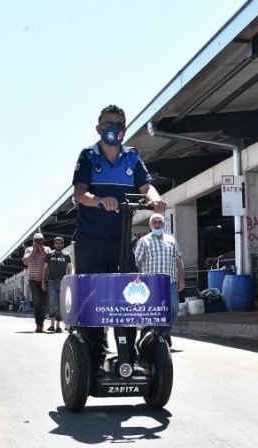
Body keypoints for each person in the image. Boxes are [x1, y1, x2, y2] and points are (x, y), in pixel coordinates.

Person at [72, 104, 167, 372]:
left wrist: (155, 199)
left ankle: (129, 356)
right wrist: (100, 200)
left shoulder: (132, 158)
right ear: (98, 128)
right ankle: (94, 356)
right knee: (93, 301)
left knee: (129, 298)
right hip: (91, 242)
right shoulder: (89, 156)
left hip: (122, 243)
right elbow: (79, 193)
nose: (112, 129)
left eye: (117, 124)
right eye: (107, 125)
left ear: (124, 129)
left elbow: (147, 186)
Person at [134, 213, 185, 343]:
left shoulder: (171, 240)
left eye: (160, 222)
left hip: (170, 283)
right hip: (151, 284)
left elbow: (179, 260)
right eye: (155, 222)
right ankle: (152, 335)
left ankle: (164, 333)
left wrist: (182, 279)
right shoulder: (143, 241)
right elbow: (137, 263)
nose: (157, 224)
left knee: (173, 309)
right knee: (153, 311)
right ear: (150, 225)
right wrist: (137, 281)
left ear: (163, 224)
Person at [42, 236, 72, 333]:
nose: (58, 245)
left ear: (63, 244)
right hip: (52, 282)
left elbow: (70, 268)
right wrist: (43, 281)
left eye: (60, 243)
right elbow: (44, 268)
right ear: (54, 244)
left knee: (60, 304)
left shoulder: (66, 255)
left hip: (63, 282)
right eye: (57, 243)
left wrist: (70, 280)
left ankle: (58, 326)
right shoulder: (49, 255)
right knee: (52, 302)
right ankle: (51, 325)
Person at [23, 232, 51, 332]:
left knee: (45, 302)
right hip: (33, 280)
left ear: (43, 241)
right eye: (37, 240)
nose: (39, 242)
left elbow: (50, 259)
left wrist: (41, 250)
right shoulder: (29, 250)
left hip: (46, 279)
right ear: (33, 241)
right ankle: (39, 324)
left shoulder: (47, 249)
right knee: (37, 300)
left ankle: (41, 322)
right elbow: (25, 261)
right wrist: (34, 252)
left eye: (41, 240)